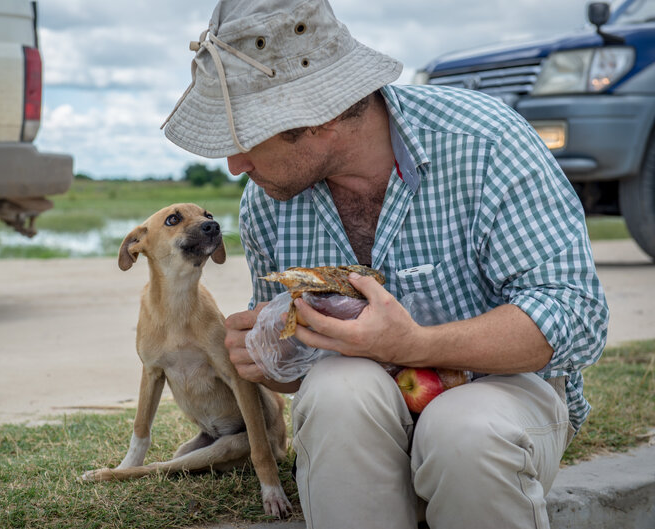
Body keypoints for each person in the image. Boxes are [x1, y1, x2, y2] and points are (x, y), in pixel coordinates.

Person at [161, 0, 609, 527]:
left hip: (502, 392)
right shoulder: (268, 199)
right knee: (336, 393)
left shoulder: (484, 142)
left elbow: (575, 315)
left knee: (462, 427)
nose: (234, 165)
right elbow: (297, 375)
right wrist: (270, 358)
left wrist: (416, 345)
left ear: (319, 117)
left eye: (243, 138)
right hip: (362, 411)